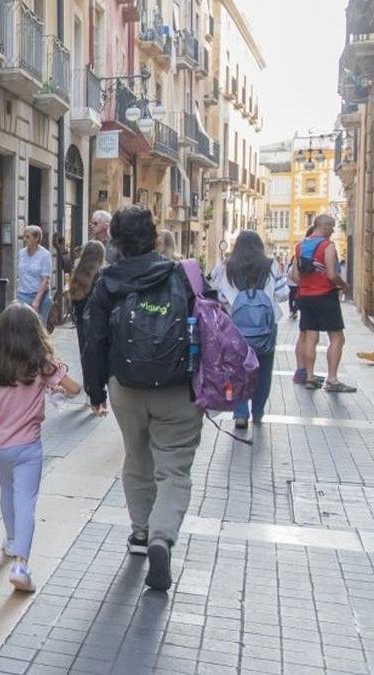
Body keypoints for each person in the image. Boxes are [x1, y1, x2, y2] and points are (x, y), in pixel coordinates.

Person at [81, 205, 204, 591]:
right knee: (174, 471)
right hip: (178, 390)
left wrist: (95, 390)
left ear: (115, 241)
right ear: (154, 236)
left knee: (137, 458)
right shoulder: (185, 274)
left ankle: (139, 535)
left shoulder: (106, 282)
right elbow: (213, 324)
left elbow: (93, 341)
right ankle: (161, 537)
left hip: (127, 388)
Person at [0, 304, 81, 592]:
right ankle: (21, 564)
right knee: (26, 502)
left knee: (7, 492)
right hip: (28, 447)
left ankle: (10, 541)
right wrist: (52, 385)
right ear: (36, 332)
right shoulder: (42, 364)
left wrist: (1, 403)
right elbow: (75, 389)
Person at [211, 230, 288, 429]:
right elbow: (283, 294)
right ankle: (259, 411)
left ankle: (240, 413)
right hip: (266, 328)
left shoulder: (226, 268)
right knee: (263, 370)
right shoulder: (271, 265)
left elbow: (218, 297)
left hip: (235, 328)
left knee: (236, 370)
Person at [290, 215, 356, 392]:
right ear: (325, 226)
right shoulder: (327, 246)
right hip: (325, 296)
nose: (333, 230)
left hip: (305, 297)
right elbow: (332, 275)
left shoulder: (300, 246)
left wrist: (307, 285)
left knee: (310, 338)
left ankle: (310, 377)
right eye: (332, 227)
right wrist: (344, 286)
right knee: (337, 338)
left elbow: (294, 276)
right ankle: (332, 380)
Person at [69, 240, 106, 356]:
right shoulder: (101, 274)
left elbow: (74, 298)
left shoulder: (77, 272)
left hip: (81, 321)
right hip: (98, 323)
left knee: (85, 355)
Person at [16, 226, 54, 323]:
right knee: (22, 326)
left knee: (38, 327)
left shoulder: (45, 255)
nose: (25, 239)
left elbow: (45, 279)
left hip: (39, 296)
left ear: (36, 238)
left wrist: (37, 300)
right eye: (24, 236)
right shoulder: (21, 253)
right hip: (22, 295)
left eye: (28, 237)